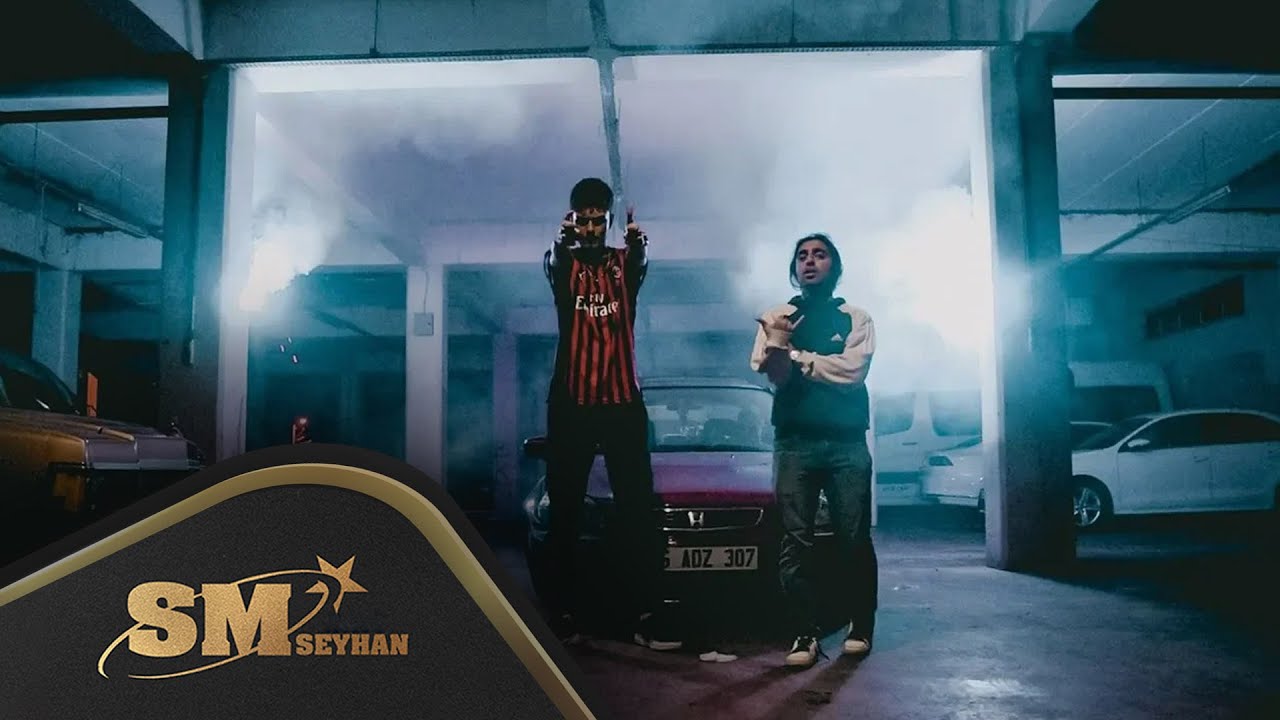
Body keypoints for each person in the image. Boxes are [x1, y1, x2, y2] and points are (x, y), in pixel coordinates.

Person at [541, 177, 681, 651]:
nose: (591, 228)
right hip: (572, 402)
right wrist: (561, 242)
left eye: (598, 220)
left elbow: (639, 261)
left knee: (637, 511)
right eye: (583, 220)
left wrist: (640, 245)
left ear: (607, 221)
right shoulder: (563, 262)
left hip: (622, 402)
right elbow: (555, 262)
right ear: (573, 221)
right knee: (564, 512)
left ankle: (647, 613)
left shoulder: (625, 263)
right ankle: (561, 612)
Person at [749, 232, 878, 669]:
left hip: (846, 443)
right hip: (795, 442)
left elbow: (852, 372)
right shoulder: (776, 317)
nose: (810, 261)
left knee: (853, 537)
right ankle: (804, 634)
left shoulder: (856, 318)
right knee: (796, 540)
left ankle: (860, 626)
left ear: (834, 267)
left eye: (819, 255)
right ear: (794, 268)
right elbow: (773, 374)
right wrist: (779, 345)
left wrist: (797, 356)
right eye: (802, 256)